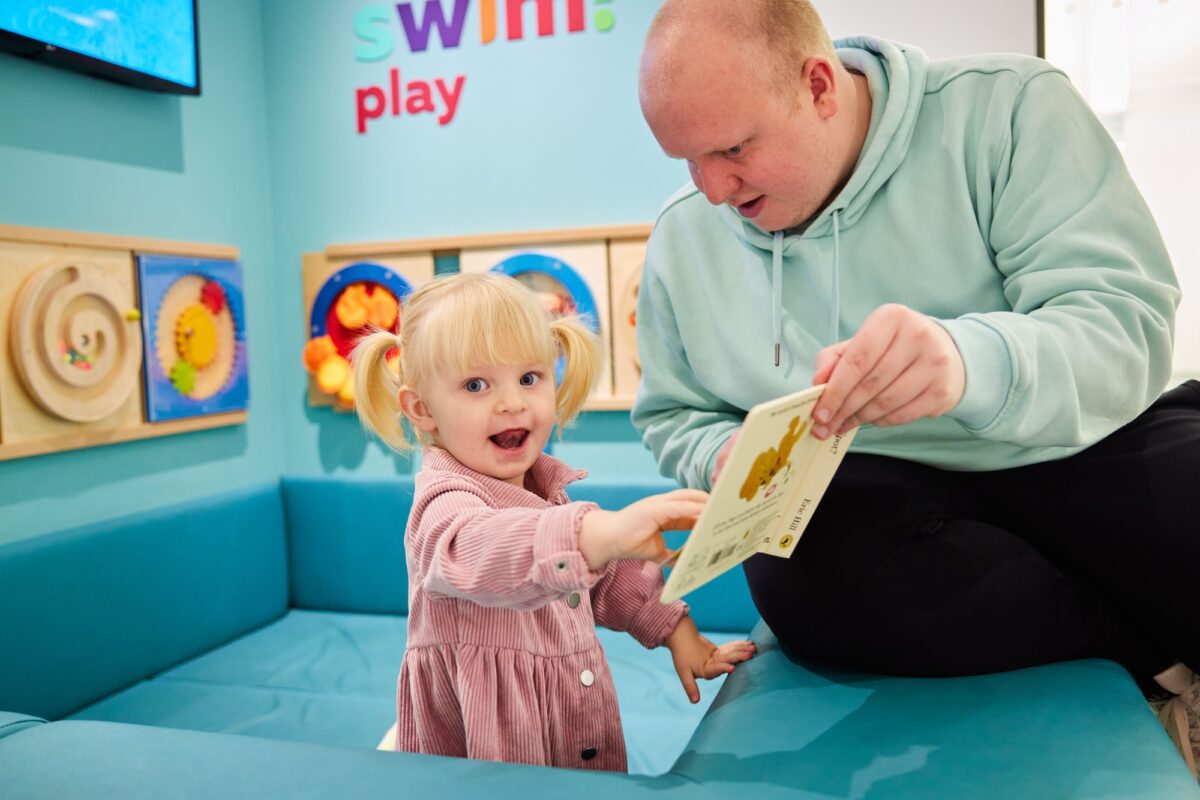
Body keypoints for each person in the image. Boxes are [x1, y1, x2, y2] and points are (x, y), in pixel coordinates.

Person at [633, 0, 1200, 779]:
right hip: (883, 501)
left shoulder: (1011, 107)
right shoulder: (682, 237)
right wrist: (722, 455)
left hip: (1078, 440)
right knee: (798, 571)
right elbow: (673, 413)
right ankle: (1156, 664)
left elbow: (1124, 323)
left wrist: (968, 361)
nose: (714, 190)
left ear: (819, 85)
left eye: (732, 149)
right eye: (687, 161)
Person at [351, 272, 755, 772]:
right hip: (487, 750)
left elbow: (607, 578)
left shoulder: (545, 492)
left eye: (529, 378)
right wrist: (600, 532)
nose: (513, 402)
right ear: (421, 408)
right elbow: (480, 550)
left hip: (568, 723)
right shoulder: (443, 503)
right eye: (476, 385)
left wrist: (676, 629)